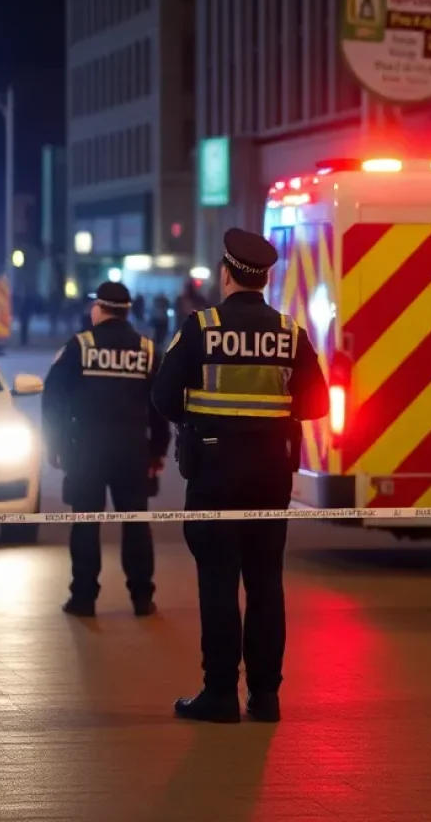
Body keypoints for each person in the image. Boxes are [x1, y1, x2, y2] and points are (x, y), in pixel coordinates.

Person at [152, 228, 328, 724]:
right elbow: (316, 404)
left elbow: (163, 399)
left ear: (226, 275)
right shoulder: (290, 332)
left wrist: (202, 417)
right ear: (266, 279)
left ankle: (220, 695)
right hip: (271, 476)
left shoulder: (201, 326)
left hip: (212, 475)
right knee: (266, 582)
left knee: (218, 582)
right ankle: (267, 697)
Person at [42, 280, 170, 616]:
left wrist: (54, 444)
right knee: (136, 523)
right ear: (127, 311)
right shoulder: (147, 349)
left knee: (86, 522)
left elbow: (53, 399)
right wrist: (157, 450)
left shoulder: (79, 346)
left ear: (98, 308)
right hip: (132, 450)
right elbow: (160, 407)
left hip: (86, 449)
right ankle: (142, 597)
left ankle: (83, 597)